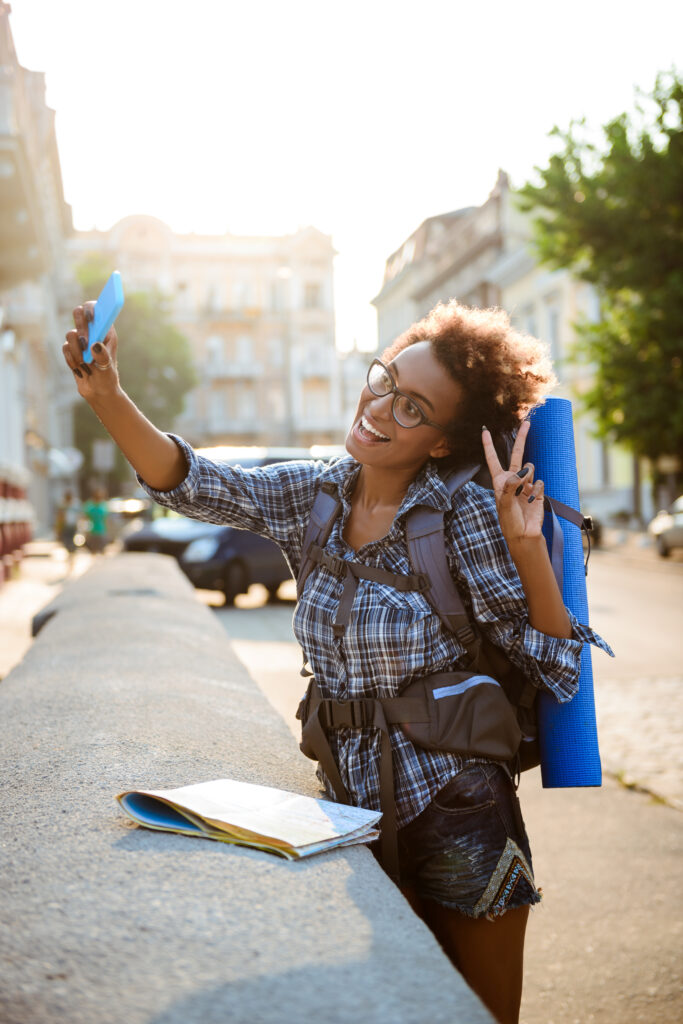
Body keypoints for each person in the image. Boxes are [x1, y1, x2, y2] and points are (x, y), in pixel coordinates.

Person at [63, 298, 612, 1024]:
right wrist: (108, 397)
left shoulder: (463, 515)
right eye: (384, 379)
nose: (380, 407)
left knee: (481, 1017)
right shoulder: (314, 493)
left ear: (444, 442)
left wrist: (525, 549)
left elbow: (556, 668)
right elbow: (191, 480)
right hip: (349, 807)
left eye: (412, 407)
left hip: (458, 812)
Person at [55, 489, 81, 567]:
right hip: (65, 527)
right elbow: (59, 517)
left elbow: (79, 515)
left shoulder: (76, 505)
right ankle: (70, 556)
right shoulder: (62, 505)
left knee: (73, 543)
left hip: (73, 527)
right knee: (66, 542)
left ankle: (72, 557)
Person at [83, 487, 109, 553]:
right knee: (93, 551)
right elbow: (85, 519)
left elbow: (106, 520)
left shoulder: (103, 505)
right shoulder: (89, 506)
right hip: (92, 532)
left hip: (102, 532)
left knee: (101, 551)